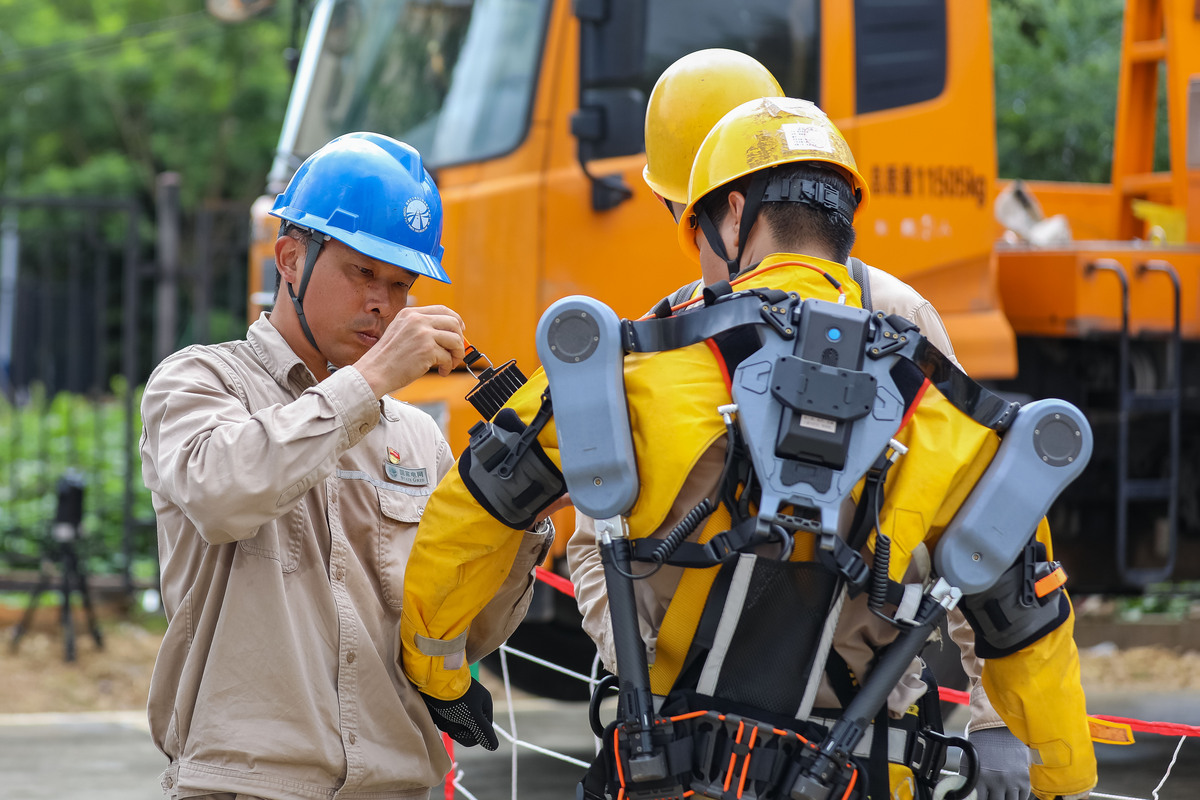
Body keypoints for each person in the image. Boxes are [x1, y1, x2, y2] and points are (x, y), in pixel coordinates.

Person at [398, 98, 1097, 800]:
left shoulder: (632, 370)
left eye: (696, 225)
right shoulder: (948, 414)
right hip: (866, 777)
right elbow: (1026, 621)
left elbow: (469, 518)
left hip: (670, 776)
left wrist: (440, 671)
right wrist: (1058, 770)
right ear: (844, 219)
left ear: (734, 214)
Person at [573, 49, 1032, 800]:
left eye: (691, 211)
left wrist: (995, 719)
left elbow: (979, 524)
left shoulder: (892, 320)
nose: (691, 235)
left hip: (850, 736)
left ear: (734, 204)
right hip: (684, 748)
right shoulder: (667, 330)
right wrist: (642, 672)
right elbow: (597, 535)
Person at [140, 132, 553, 800]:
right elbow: (223, 494)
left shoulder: (417, 438)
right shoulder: (199, 383)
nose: (383, 304)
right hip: (249, 785)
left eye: (401, 284)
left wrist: (520, 517)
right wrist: (373, 379)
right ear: (291, 260)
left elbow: (462, 637)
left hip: (400, 783)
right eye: (364, 273)